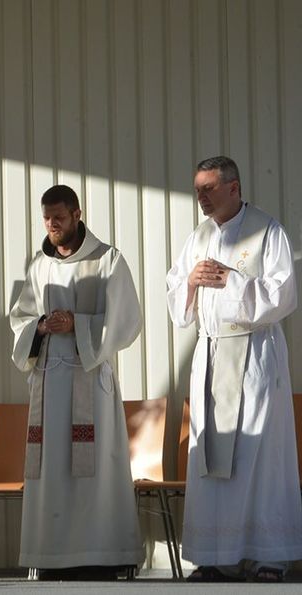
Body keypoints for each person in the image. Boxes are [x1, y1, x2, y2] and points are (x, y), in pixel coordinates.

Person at [166, 156, 302, 583]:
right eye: (197, 190)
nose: (201, 197)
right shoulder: (199, 236)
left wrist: (231, 279)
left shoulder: (267, 230)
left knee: (257, 456)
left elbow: (284, 293)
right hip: (211, 356)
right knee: (213, 457)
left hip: (254, 359)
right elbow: (176, 293)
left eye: (208, 188)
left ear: (234, 188)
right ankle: (217, 556)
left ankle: (269, 557)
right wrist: (190, 282)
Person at [9, 185, 144, 579]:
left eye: (60, 218)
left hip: (89, 379)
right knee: (53, 469)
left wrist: (80, 325)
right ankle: (52, 556)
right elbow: (20, 319)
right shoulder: (39, 266)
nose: (52, 226)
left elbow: (127, 320)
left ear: (77, 214)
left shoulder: (108, 261)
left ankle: (102, 554)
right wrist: (40, 326)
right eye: (47, 219)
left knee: (95, 469)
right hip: (50, 381)